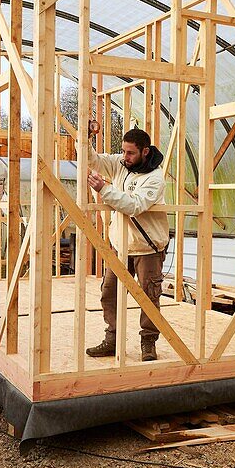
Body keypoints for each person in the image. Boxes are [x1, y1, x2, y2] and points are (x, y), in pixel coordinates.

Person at [84, 120, 170, 362]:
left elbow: (134, 206)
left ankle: (148, 342)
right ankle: (112, 339)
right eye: (123, 151)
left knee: (149, 297)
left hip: (147, 248)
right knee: (109, 292)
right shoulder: (122, 165)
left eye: (130, 152)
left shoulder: (154, 178)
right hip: (121, 246)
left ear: (145, 151)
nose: (125, 156)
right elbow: (94, 161)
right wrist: (85, 135)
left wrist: (104, 188)